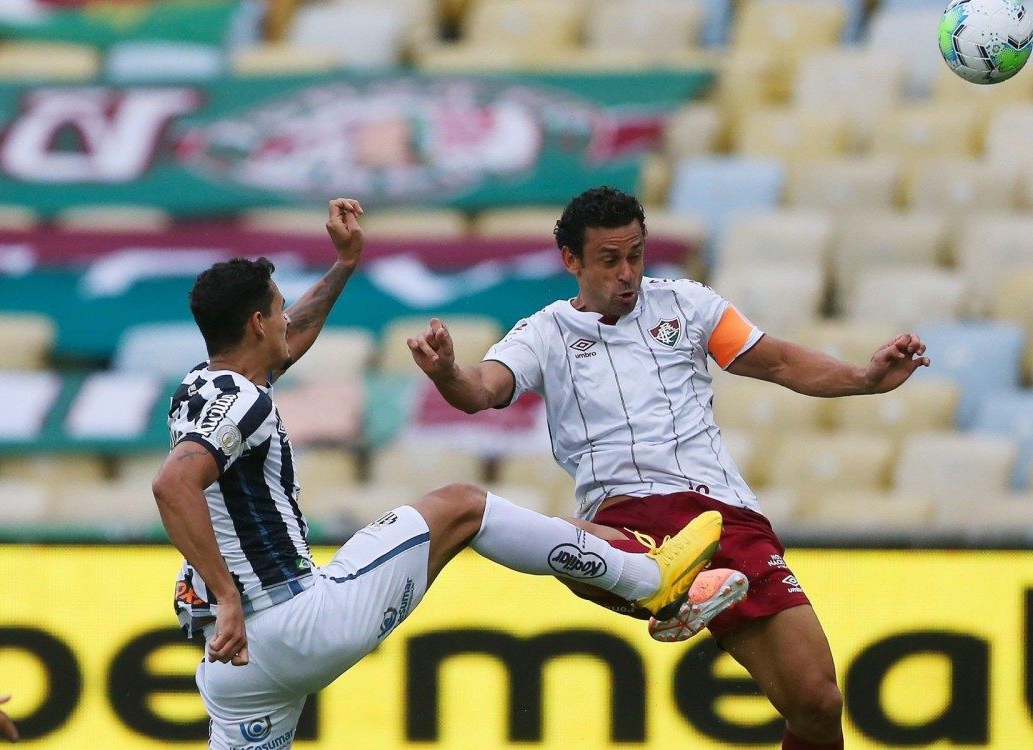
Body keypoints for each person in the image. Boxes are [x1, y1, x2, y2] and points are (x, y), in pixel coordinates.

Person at [152, 198, 741, 750]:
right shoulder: (247, 401)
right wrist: (228, 594)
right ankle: (650, 581)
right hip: (292, 623)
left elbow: (291, 337)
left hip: (233, 667)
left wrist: (345, 264)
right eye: (279, 309)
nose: (288, 319)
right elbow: (172, 483)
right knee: (463, 505)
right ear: (257, 324)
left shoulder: (206, 387)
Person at [407, 186, 932, 750]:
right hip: (626, 520)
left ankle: (682, 590)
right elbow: (482, 390)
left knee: (818, 703)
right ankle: (668, 587)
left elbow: (779, 361)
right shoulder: (543, 334)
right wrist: (447, 374)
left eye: (635, 254)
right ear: (572, 261)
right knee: (564, 547)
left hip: (723, 515)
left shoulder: (689, 305)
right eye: (609, 260)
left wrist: (865, 378)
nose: (627, 272)